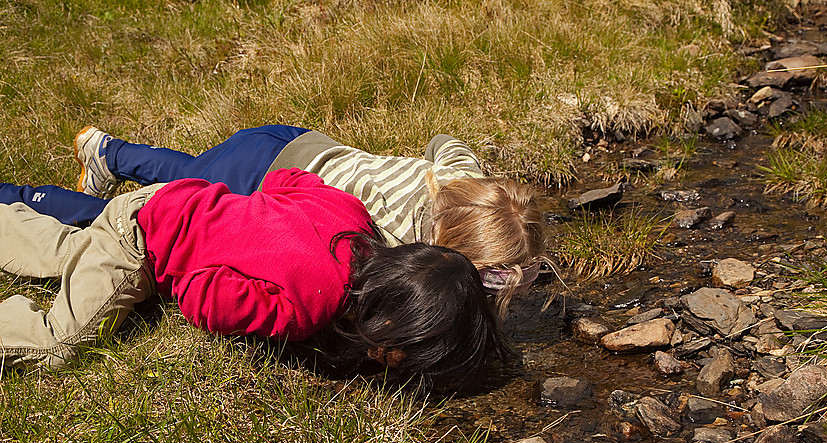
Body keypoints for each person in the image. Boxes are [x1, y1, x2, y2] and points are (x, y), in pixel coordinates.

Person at [0, 167, 505, 388]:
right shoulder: (299, 310)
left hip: (172, 196)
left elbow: (291, 182)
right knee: (61, 344)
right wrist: (193, 272)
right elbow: (201, 296)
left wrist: (251, 222)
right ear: (391, 326)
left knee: (70, 252)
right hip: (144, 245)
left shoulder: (355, 223)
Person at [0, 126, 551, 316]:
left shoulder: (461, 177)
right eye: (497, 279)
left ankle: (108, 152)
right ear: (446, 249)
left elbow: (443, 142)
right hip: (267, 186)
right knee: (139, 220)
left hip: (290, 143)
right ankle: (17, 197)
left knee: (193, 176)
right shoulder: (396, 246)